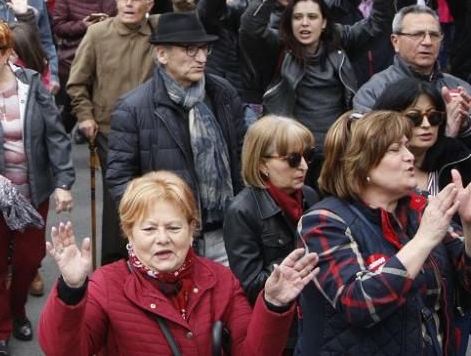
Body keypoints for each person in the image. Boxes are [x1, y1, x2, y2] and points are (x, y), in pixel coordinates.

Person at [38, 172, 318, 356]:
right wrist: (71, 290)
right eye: (149, 230)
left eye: (173, 227)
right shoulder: (106, 285)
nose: (163, 239)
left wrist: (273, 305)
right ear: (129, 232)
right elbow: (62, 351)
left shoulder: (221, 280)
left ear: (191, 228)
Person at [297, 110, 471, 355]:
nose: (410, 156)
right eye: (395, 149)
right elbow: (358, 304)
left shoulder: (419, 209)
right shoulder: (323, 221)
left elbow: (467, 283)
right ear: (361, 163)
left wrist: (468, 226)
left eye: (407, 147)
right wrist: (423, 240)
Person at [0, 19, 74, 356]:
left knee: (28, 259)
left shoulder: (32, 85)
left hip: (33, 192)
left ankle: (17, 308)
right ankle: (0, 330)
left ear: (7, 53)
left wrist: (64, 182)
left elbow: (56, 136)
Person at [240, 0, 394, 182]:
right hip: (292, 154)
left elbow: (379, 24)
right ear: (288, 23)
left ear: (323, 23)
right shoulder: (278, 47)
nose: (304, 23)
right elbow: (250, 27)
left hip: (338, 152)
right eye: (297, 17)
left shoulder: (341, 40)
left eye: (312, 17)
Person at [107, 12, 245, 265]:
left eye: (204, 49)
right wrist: (153, 229)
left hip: (225, 231)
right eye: (190, 50)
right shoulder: (133, 108)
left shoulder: (223, 93)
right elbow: (121, 181)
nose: (201, 58)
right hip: (169, 236)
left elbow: (242, 157)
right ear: (162, 55)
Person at [66, 0, 159, 264]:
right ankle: (115, 263)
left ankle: (150, 258)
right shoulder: (98, 33)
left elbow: (191, 15)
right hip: (109, 129)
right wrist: (84, 116)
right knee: (119, 195)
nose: (128, 4)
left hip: (153, 127)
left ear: (149, 4)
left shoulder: (158, 30)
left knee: (153, 194)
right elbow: (77, 82)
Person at [224, 116, 319, 314]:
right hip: (279, 319)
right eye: (292, 159)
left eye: (307, 155)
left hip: (313, 312)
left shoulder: (309, 196)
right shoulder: (242, 210)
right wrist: (294, 262)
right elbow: (250, 286)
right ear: (262, 165)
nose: (304, 166)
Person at [354, 5, 471, 122]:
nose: (427, 42)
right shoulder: (374, 91)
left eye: (434, 35)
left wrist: (465, 127)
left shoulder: (460, 89)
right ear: (395, 42)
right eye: (417, 35)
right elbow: (366, 138)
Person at [372, 78, 471, 194]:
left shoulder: (458, 159)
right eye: (414, 117)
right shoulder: (373, 170)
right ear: (389, 120)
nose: (426, 125)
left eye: (433, 117)